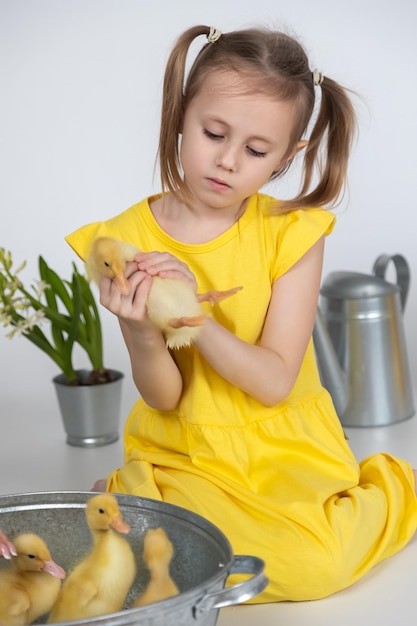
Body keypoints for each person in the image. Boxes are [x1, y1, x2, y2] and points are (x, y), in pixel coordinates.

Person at [62, 24, 417, 602]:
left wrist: (194, 322)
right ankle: (138, 492)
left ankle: (396, 489)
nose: (227, 162)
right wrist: (140, 332)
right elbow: (164, 399)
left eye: (255, 151)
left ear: (288, 155)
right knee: (145, 560)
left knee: (310, 571)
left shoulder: (290, 233)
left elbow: (275, 381)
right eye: (213, 133)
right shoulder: (124, 238)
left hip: (280, 450)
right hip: (183, 451)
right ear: (181, 112)